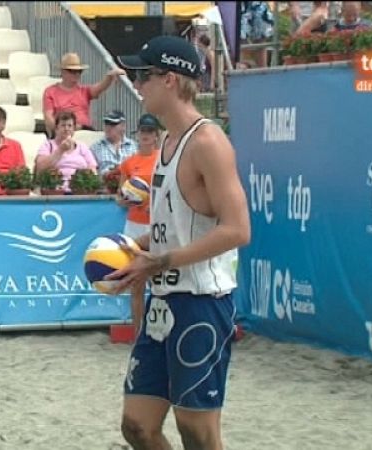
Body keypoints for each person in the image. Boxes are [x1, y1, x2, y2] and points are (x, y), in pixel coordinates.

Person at [112, 36, 251, 450]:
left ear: (169, 79)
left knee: (198, 433)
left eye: (144, 75)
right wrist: (138, 247)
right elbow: (177, 224)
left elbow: (238, 230)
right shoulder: (168, 143)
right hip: (165, 299)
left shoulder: (207, 142)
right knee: (137, 426)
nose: (138, 84)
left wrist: (160, 260)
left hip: (203, 302)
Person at [116, 112, 162, 332]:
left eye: (150, 131)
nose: (145, 135)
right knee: (137, 283)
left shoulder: (163, 159)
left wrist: (149, 200)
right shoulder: (128, 163)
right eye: (143, 131)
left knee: (160, 281)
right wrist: (128, 200)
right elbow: (120, 197)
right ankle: (137, 334)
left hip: (157, 223)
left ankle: (158, 330)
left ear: (156, 135)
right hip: (134, 224)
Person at [42, 53, 125, 136]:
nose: (76, 74)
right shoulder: (50, 91)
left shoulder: (84, 90)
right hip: (63, 132)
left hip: (85, 131)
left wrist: (110, 76)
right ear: (63, 72)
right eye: (72, 71)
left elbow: (99, 88)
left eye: (79, 71)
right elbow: (48, 117)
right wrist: (61, 130)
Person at [35, 111, 97, 192]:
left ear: (74, 129)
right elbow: (40, 168)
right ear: (56, 129)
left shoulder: (82, 147)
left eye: (70, 126)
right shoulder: (48, 145)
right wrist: (60, 150)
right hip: (55, 190)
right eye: (63, 125)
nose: (66, 129)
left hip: (80, 189)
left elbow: (93, 169)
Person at [89, 109, 137, 176]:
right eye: (106, 123)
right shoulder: (95, 147)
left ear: (123, 126)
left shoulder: (133, 146)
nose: (108, 127)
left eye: (112, 124)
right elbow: (91, 172)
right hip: (105, 183)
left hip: (129, 183)